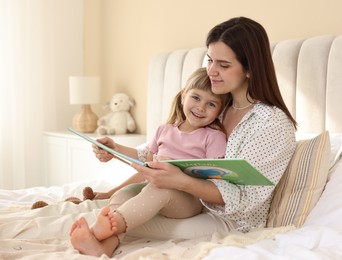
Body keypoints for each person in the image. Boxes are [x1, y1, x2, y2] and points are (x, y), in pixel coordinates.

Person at [70, 16, 297, 257]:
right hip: (188, 200)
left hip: (229, 220)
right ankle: (103, 245)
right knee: (128, 197)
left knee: (145, 200)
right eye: (210, 60)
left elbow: (245, 197)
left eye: (223, 64)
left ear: (250, 68)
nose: (211, 71)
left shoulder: (271, 123)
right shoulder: (219, 107)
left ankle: (102, 234)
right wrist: (115, 149)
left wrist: (179, 181)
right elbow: (153, 151)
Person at [70, 67, 230, 256]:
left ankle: (105, 227)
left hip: (187, 200)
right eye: (196, 98)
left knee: (160, 187)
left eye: (211, 104)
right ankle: (103, 246)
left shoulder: (213, 137)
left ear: (220, 110)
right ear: (183, 96)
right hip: (151, 188)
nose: (201, 107)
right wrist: (114, 149)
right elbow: (144, 160)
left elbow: (216, 177)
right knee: (124, 194)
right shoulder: (165, 130)